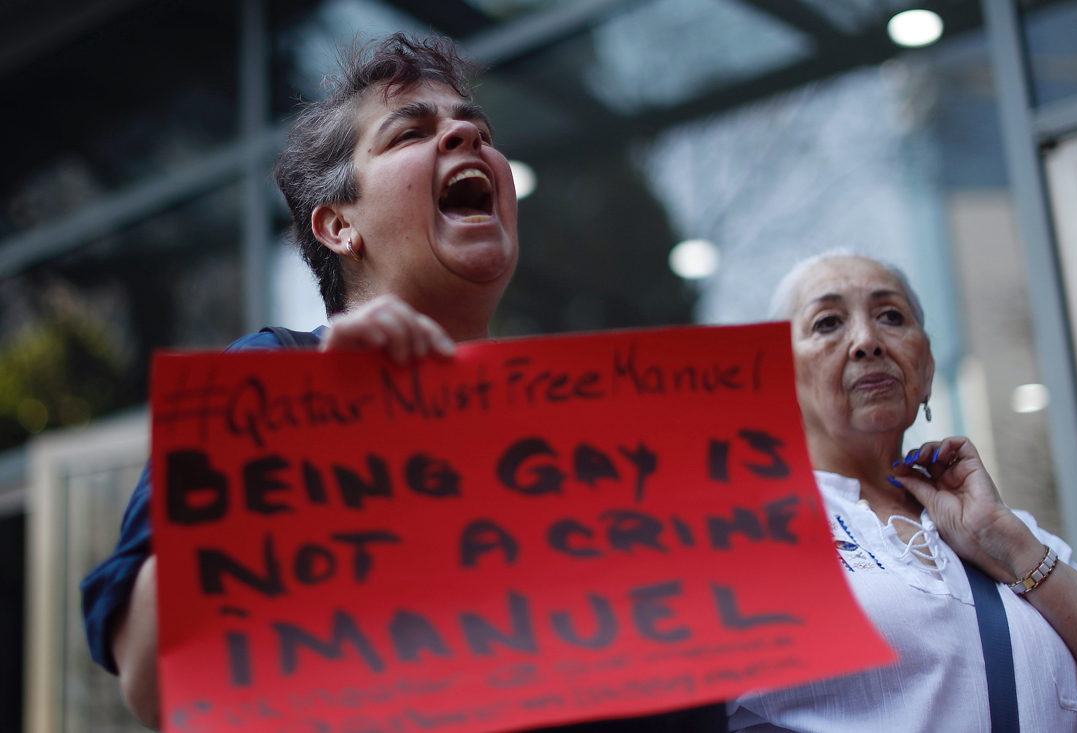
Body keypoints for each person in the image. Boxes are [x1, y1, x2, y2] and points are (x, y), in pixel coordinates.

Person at [81, 33, 724, 733]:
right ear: (338, 224)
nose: (464, 134)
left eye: (476, 128)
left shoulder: (599, 436)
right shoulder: (272, 379)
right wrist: (322, 427)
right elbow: (157, 679)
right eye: (410, 132)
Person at [727, 252, 1077, 732]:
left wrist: (1011, 546)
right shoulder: (746, 535)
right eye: (827, 323)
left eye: (891, 316)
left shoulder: (1009, 529)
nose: (867, 341)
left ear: (925, 367)